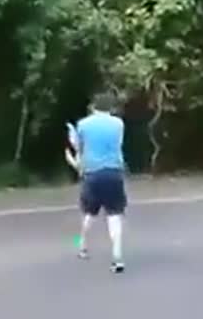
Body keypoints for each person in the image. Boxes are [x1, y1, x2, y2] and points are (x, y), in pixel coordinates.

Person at [65, 92, 127, 273]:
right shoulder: (118, 124)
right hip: (114, 172)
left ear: (93, 106)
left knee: (89, 214)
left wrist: (74, 154)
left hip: (92, 174)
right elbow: (118, 145)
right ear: (111, 107)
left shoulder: (83, 124)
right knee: (114, 215)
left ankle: (81, 245)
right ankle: (117, 256)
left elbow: (79, 148)